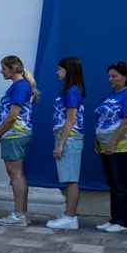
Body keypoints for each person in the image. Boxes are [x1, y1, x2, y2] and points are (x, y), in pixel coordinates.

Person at [92, 61, 127, 232]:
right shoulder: (110, 95)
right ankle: (115, 219)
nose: (110, 79)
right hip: (107, 148)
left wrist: (112, 142)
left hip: (123, 147)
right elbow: (101, 120)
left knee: (123, 185)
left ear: (126, 76)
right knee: (113, 184)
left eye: (114, 76)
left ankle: (125, 222)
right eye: (109, 76)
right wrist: (97, 141)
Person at [0, 56, 39, 226]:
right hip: (16, 134)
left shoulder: (19, 87)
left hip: (15, 134)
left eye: (3, 68)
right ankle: (20, 213)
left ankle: (19, 215)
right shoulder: (20, 86)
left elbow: (13, 115)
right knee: (16, 173)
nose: (1, 71)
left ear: (13, 69)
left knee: (16, 174)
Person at [47, 57, 85, 230]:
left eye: (59, 69)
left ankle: (70, 217)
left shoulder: (72, 91)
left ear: (68, 71)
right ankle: (69, 215)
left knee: (71, 179)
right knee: (69, 178)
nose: (57, 72)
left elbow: (70, 120)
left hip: (69, 139)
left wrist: (60, 144)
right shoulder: (71, 91)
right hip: (67, 138)